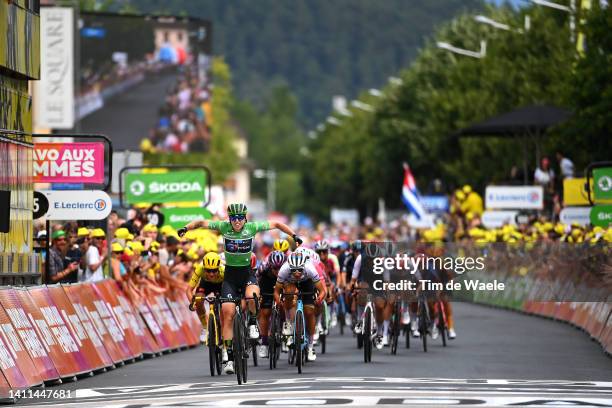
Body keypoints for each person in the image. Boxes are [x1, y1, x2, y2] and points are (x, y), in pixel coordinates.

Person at [178, 203, 303, 375]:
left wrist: (294, 235)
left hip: (247, 274)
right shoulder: (223, 226)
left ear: (245, 218)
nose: (236, 222)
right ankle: (229, 358)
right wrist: (186, 228)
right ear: (229, 219)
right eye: (233, 218)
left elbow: (277, 224)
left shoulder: (252, 227)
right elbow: (201, 223)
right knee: (227, 314)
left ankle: (252, 321)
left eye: (239, 218)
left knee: (252, 296)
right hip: (230, 276)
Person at [273, 252, 326, 362]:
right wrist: (278, 301)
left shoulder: (310, 268)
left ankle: (310, 346)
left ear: (304, 267)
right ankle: (288, 322)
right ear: (289, 268)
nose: (297, 273)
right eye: (293, 270)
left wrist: (319, 299)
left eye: (299, 270)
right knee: (288, 292)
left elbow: (322, 291)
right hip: (290, 283)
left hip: (307, 283)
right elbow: (277, 292)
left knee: (309, 312)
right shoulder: (284, 269)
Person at [186, 252, 224, 343]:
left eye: (214, 270)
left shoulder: (224, 270)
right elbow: (188, 290)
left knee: (225, 306)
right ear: (204, 268)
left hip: (221, 284)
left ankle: (224, 330)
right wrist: (192, 302)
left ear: (218, 268)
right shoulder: (200, 268)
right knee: (198, 299)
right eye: (208, 270)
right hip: (206, 284)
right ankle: (205, 327)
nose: (211, 274)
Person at [255, 250, 287, 358]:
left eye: (280, 268)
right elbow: (256, 281)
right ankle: (264, 343)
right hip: (267, 283)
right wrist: (259, 294)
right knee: (265, 312)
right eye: (275, 268)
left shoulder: (288, 269)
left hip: (284, 283)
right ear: (270, 265)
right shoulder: (263, 267)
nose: (278, 271)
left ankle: (284, 333)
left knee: (284, 306)